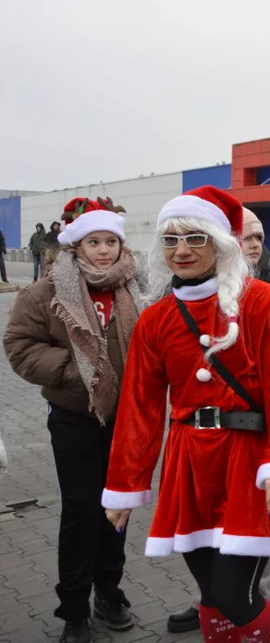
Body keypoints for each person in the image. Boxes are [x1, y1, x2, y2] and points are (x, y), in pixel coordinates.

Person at [102, 185, 270, 643]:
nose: (181, 251)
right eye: (171, 240)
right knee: (211, 594)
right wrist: (125, 487)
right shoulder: (155, 320)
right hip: (190, 466)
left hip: (248, 465)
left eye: (195, 238)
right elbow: (140, 409)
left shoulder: (260, 302)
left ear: (220, 242)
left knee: (237, 596)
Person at [3, 197, 147, 643]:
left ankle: (108, 590)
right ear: (75, 245)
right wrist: (76, 371)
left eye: (110, 241)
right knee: (82, 510)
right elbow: (20, 345)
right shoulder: (45, 291)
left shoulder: (135, 286)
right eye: (93, 241)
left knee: (117, 509)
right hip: (73, 417)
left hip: (127, 419)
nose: (103, 250)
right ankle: (74, 610)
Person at [166, 207, 270, 634]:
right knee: (214, 587)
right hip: (195, 456)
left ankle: (253, 607)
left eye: (257, 237)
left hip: (253, 449)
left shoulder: (268, 292)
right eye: (245, 235)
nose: (253, 244)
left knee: (239, 590)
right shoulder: (168, 305)